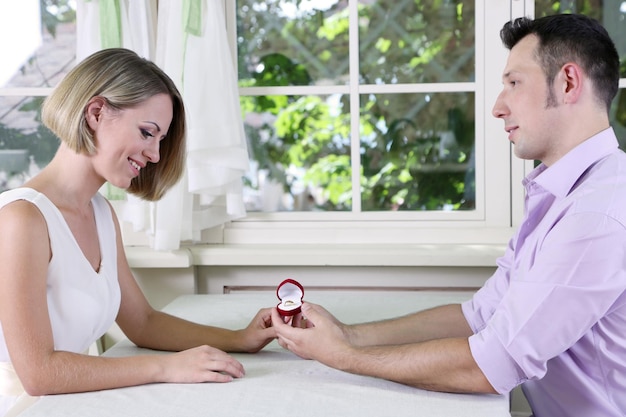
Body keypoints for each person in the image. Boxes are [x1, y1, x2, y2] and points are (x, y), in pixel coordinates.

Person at [272, 13, 625, 417]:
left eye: (514, 83)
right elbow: (479, 317)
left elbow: (491, 366)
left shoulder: (597, 215)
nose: (497, 107)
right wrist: (349, 335)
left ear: (567, 82)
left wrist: (343, 357)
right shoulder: (562, 194)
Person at [0, 48, 276, 416]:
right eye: (148, 133)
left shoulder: (100, 213)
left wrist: (239, 339)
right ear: (96, 113)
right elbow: (38, 374)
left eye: (160, 139)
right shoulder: (22, 219)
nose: (156, 155)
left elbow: (143, 322)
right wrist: (166, 368)